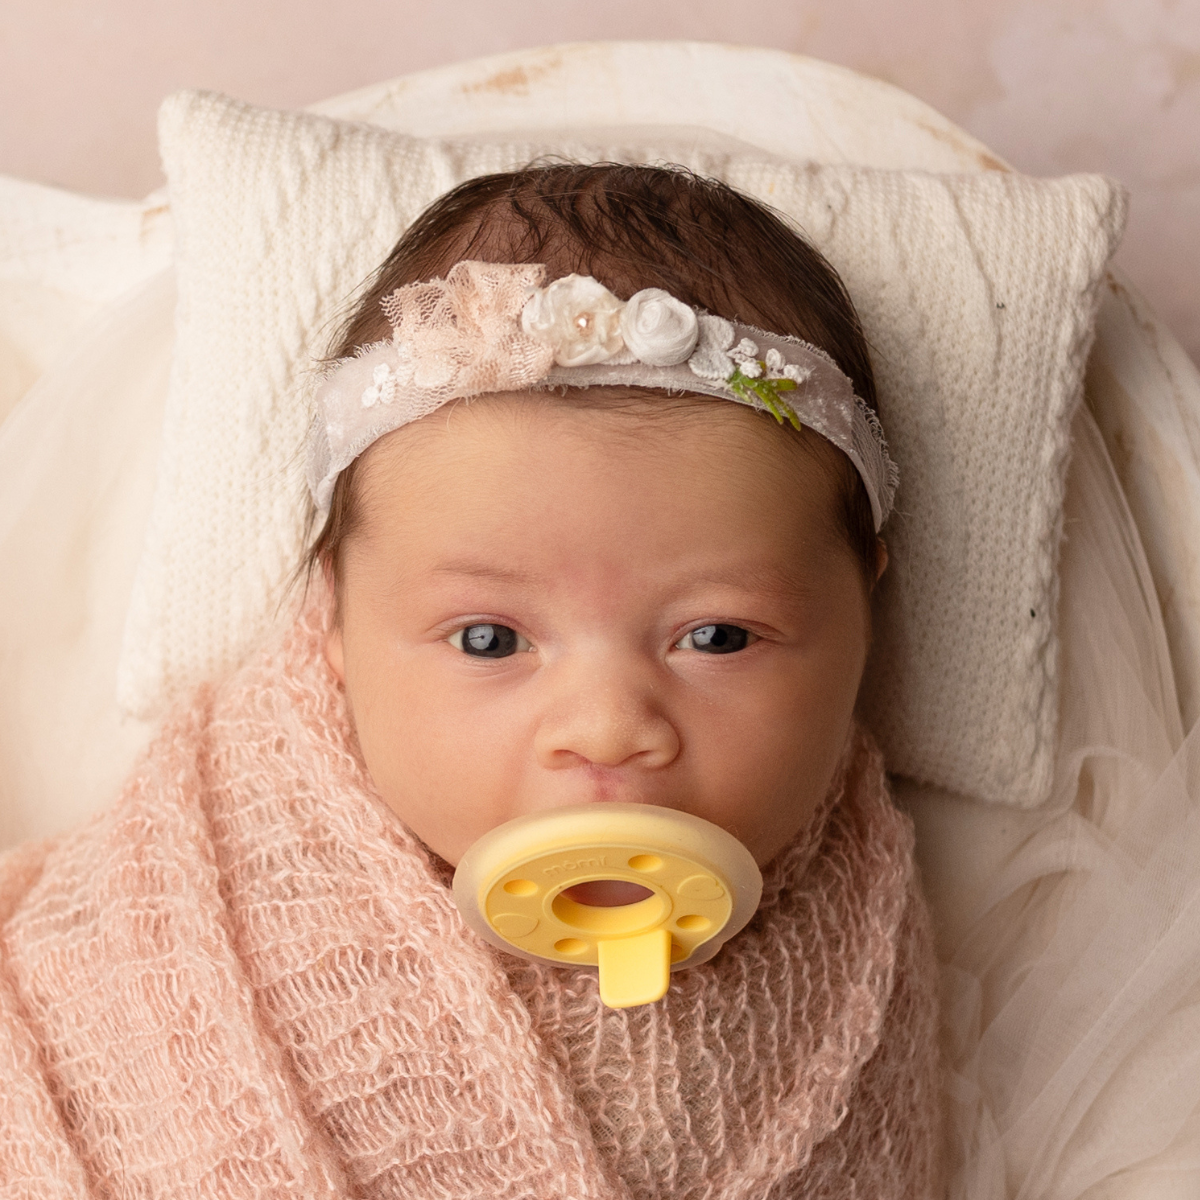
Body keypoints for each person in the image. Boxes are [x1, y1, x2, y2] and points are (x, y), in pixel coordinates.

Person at [0, 165, 943, 1198]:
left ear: (864, 614)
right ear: (339, 630)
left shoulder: (856, 925)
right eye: (491, 641)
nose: (607, 729)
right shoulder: (199, 883)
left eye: (717, 636)